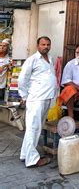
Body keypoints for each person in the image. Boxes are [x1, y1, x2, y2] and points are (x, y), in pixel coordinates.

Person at [18, 36, 57, 168]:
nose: (46, 46)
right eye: (43, 44)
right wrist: (24, 95)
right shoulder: (32, 60)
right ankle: (32, 160)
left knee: (34, 128)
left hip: (46, 98)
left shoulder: (50, 59)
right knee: (34, 129)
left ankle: (25, 154)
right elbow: (22, 79)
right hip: (36, 99)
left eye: (48, 44)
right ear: (37, 46)